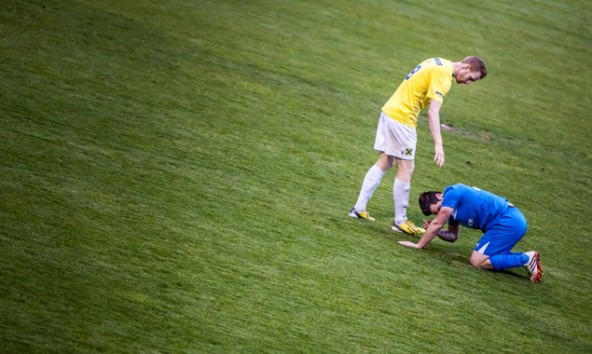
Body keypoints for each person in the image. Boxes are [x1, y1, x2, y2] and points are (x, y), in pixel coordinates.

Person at [349, 57, 487, 236]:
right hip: (402, 118)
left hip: (390, 111)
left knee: (386, 161)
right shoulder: (444, 75)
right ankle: (400, 221)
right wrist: (439, 144)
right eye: (471, 78)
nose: (468, 83)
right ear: (467, 66)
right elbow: (433, 112)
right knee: (406, 167)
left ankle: (358, 208)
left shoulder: (438, 61)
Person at [398, 184, 543, 283]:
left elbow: (437, 223)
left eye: (440, 208)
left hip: (508, 221)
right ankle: (526, 259)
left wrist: (419, 245)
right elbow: (452, 236)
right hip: (507, 222)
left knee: (476, 261)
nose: (441, 214)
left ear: (440, 196)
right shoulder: (451, 210)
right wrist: (435, 232)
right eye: (438, 213)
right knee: (484, 259)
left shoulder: (452, 193)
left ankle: (525, 258)